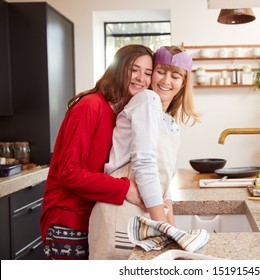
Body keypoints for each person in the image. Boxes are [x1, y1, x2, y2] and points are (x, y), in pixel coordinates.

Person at [40, 44, 153, 260]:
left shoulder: (121, 115)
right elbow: (69, 173)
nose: (141, 78)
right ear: (118, 68)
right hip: (69, 221)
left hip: (94, 219)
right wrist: (125, 188)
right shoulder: (89, 107)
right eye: (134, 69)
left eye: (147, 73)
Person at [88, 45, 200, 259]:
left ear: (183, 82)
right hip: (122, 214)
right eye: (160, 71)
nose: (166, 81)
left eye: (175, 75)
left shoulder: (169, 122)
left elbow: (164, 190)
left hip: (143, 215)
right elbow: (144, 164)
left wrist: (174, 237)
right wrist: (164, 228)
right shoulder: (147, 100)